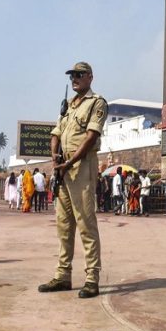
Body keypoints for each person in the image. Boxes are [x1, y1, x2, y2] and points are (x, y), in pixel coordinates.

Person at [38, 61, 108, 299]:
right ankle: (63, 275)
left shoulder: (97, 103)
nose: (74, 79)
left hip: (82, 167)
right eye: (72, 76)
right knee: (64, 225)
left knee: (86, 223)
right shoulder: (68, 106)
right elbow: (56, 133)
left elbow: (90, 137)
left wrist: (70, 162)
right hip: (64, 169)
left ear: (90, 77)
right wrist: (55, 156)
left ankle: (91, 278)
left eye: (78, 75)